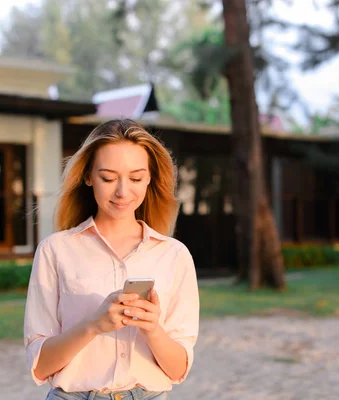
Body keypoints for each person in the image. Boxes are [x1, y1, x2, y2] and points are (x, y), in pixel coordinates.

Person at [24, 119, 200, 400]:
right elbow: (41, 366)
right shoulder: (55, 251)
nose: (122, 192)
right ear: (88, 176)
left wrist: (153, 329)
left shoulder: (174, 255)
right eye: (108, 178)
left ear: (150, 178)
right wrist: (94, 324)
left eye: (136, 178)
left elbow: (178, 370)